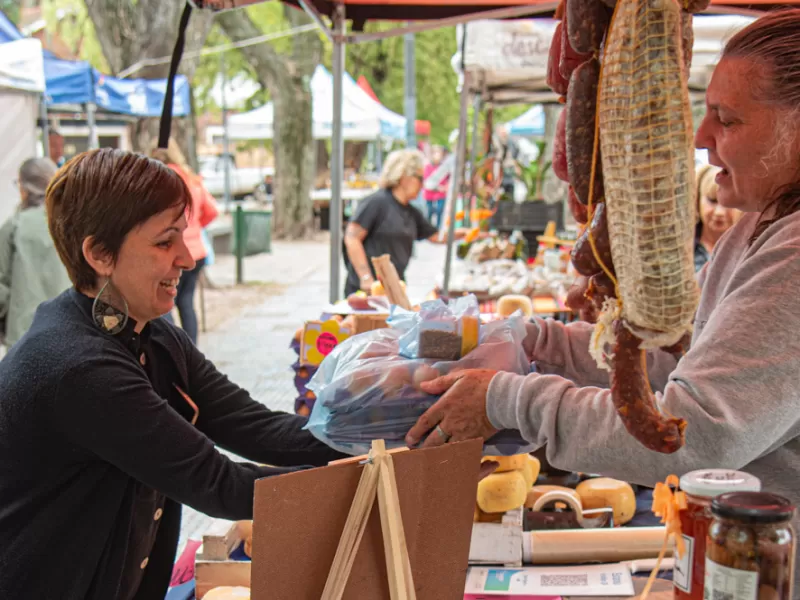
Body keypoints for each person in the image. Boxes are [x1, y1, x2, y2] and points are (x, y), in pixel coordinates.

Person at [405, 7, 800, 566]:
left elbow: (697, 433)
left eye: (727, 119)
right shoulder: (757, 230)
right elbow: (675, 365)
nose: (701, 136)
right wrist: (539, 341)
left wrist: (508, 400)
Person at [0, 149, 344, 600]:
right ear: (99, 253)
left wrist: (379, 439)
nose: (186, 258)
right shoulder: (80, 368)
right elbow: (219, 484)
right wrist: (358, 479)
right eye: (165, 242)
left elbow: (256, 427)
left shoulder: (155, 334)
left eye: (183, 235)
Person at [344, 148, 473, 297]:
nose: (422, 184)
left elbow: (436, 236)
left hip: (394, 287)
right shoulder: (376, 202)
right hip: (367, 290)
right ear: (405, 177)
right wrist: (366, 277)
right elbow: (352, 237)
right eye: (420, 178)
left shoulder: (411, 211)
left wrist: (466, 233)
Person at [152, 141, 219, 344]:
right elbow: (212, 210)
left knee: (164, 303)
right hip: (196, 251)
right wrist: (196, 226)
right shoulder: (190, 178)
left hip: (170, 251)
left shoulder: (158, 180)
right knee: (186, 302)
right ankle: (191, 352)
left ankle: (174, 352)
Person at [0, 158, 70, 347]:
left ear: (25, 188)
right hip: (69, 331)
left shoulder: (14, 226)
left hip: (24, 336)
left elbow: (1, 288)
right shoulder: (71, 223)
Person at [693, 164, 741, 271]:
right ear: (697, 199)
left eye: (729, 204)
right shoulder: (682, 245)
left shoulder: (750, 249)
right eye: (712, 201)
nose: (719, 212)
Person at [423, 145, 448, 229]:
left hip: (441, 194)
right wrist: (438, 188)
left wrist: (444, 187)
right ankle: (428, 229)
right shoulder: (427, 167)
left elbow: (448, 179)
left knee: (439, 211)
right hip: (429, 194)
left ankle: (437, 229)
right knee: (429, 212)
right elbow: (426, 181)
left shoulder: (444, 167)